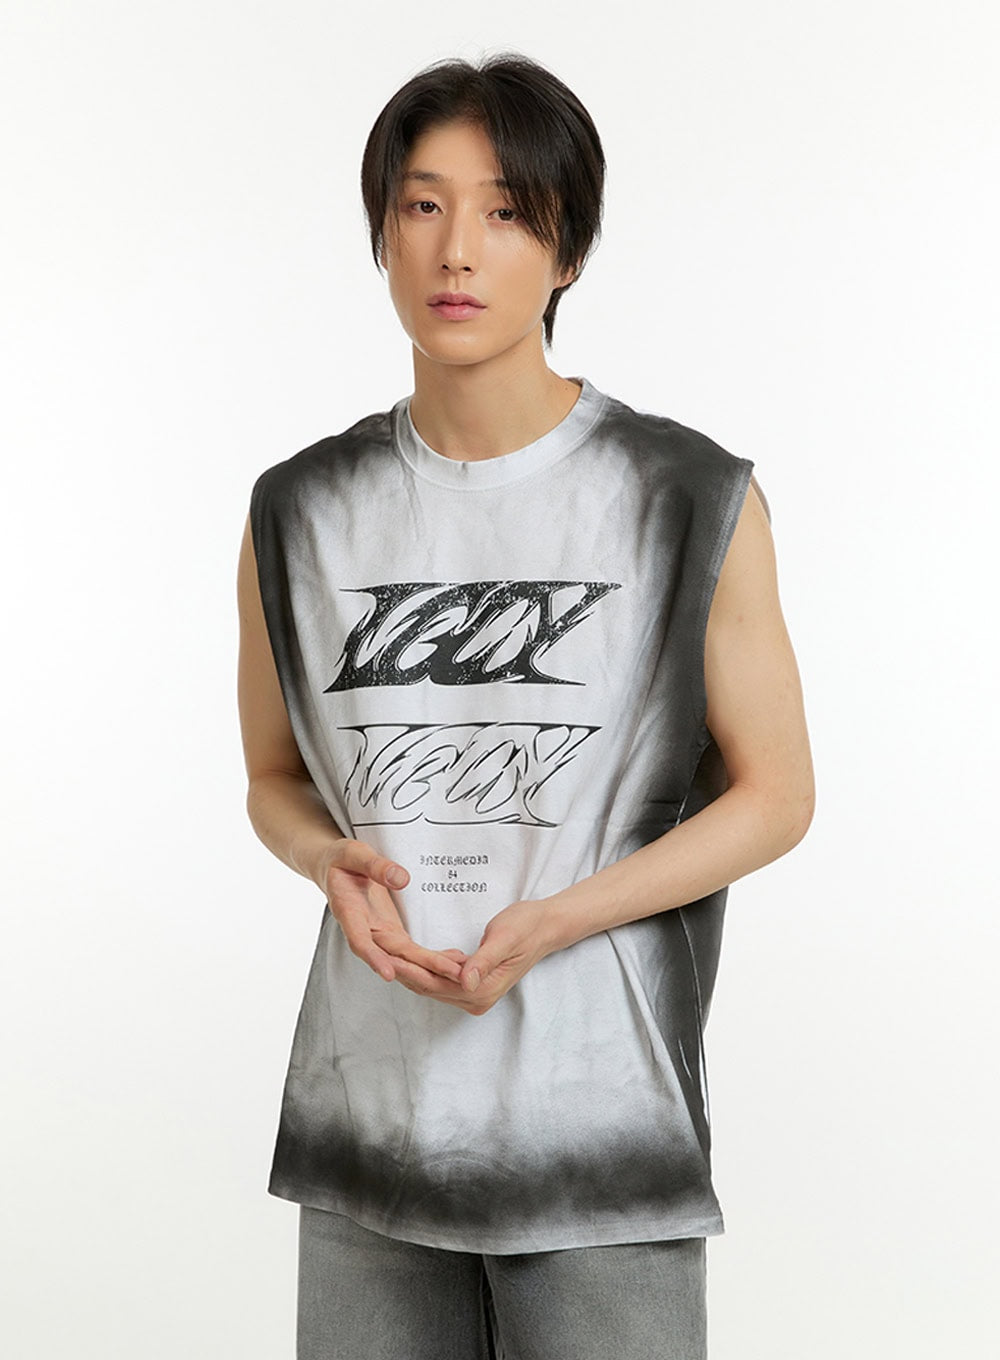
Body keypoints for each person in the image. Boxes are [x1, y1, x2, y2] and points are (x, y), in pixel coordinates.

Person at [237, 51, 814, 1360]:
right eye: (423, 205)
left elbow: (778, 795)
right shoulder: (301, 508)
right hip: (367, 1130)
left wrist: (561, 917)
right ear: (383, 232)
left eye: (506, 211)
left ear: (568, 250)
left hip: (599, 1137)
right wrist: (324, 856)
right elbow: (273, 777)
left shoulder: (686, 496)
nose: (456, 249)